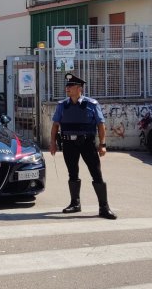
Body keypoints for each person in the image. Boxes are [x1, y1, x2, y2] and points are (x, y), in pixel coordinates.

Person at [50, 73, 117, 220]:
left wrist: (103, 144)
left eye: (70, 86)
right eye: (67, 86)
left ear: (79, 88)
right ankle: (75, 203)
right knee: (72, 173)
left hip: (87, 143)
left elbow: (101, 125)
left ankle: (104, 207)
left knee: (96, 173)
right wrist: (53, 143)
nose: (67, 88)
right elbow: (55, 125)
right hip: (68, 143)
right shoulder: (62, 105)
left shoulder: (91, 104)